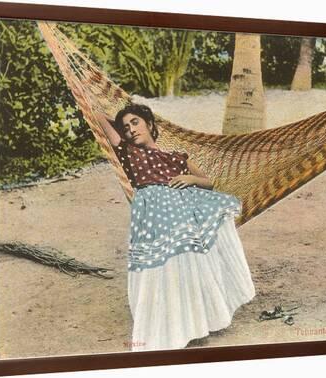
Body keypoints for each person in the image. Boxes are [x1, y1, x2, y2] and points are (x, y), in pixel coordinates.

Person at [96, 103, 256, 351]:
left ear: (149, 124)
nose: (130, 130)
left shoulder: (177, 157)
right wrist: (117, 115)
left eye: (136, 122)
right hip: (155, 212)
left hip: (184, 210)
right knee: (162, 268)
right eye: (125, 128)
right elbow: (98, 117)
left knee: (191, 264)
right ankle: (170, 325)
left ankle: (197, 321)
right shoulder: (128, 152)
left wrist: (190, 179)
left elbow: (208, 182)